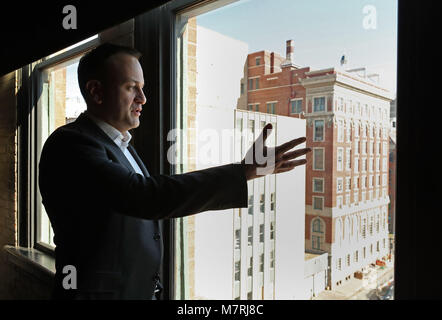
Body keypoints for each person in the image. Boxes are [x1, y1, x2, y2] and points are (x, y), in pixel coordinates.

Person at [38, 43, 311, 300]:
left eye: (142, 88)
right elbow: (145, 197)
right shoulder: (71, 144)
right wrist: (242, 172)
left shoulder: (121, 145)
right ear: (96, 92)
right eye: (131, 87)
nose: (143, 99)